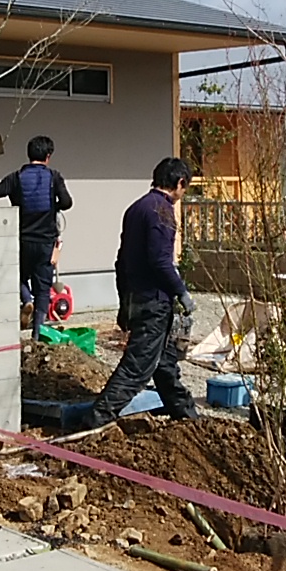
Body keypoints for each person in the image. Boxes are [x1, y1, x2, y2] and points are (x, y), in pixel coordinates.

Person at [90, 157, 198, 425]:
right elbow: (161, 261)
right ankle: (97, 419)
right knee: (137, 369)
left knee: (164, 365)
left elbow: (121, 260)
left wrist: (123, 302)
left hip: (136, 296)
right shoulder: (162, 212)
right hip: (154, 301)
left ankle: (188, 417)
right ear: (180, 183)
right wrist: (181, 291)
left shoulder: (136, 209)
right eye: (185, 188)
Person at [0, 135, 73, 338]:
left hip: (21, 240)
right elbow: (67, 202)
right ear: (48, 156)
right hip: (45, 243)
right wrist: (54, 206)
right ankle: (37, 333)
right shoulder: (54, 177)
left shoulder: (17, 177)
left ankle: (26, 300)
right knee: (43, 288)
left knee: (17, 276)